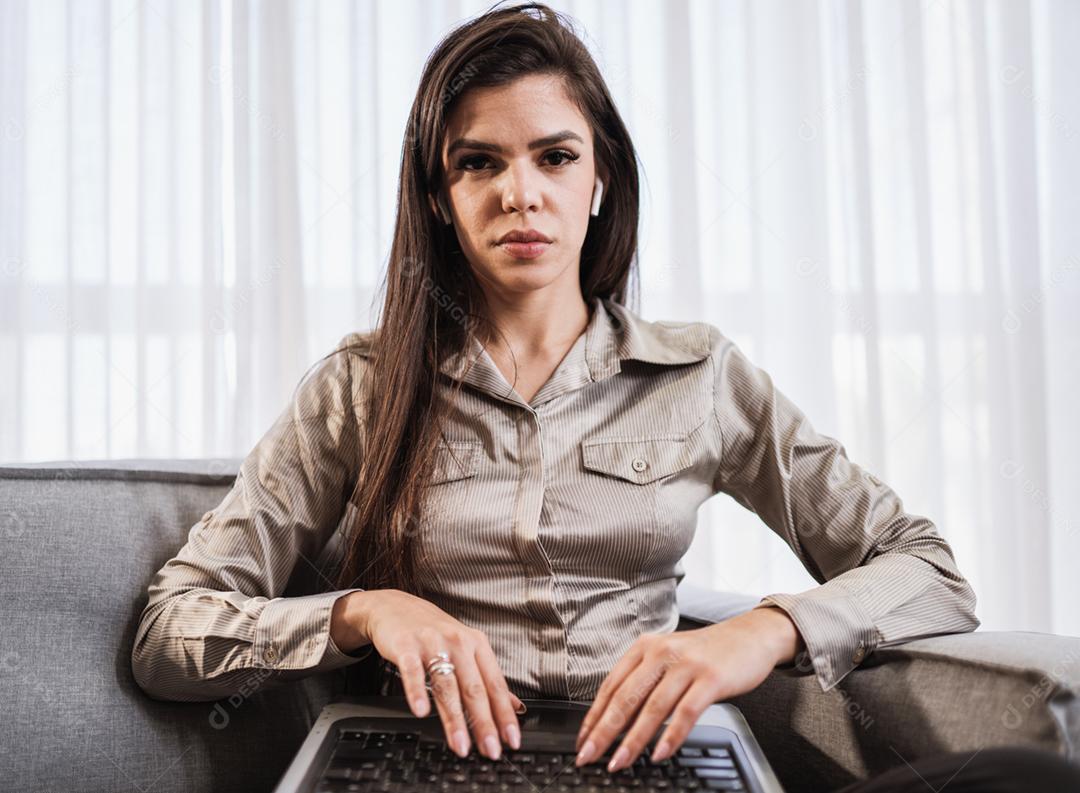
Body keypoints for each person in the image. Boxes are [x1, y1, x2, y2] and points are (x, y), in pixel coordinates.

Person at [131, 3, 1080, 790]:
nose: (520, 193)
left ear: (599, 180)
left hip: (653, 766)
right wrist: (362, 611)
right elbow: (170, 633)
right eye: (479, 163)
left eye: (553, 157)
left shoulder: (703, 376)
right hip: (437, 766)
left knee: (1026, 778)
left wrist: (766, 629)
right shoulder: (359, 388)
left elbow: (930, 570)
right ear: (438, 196)